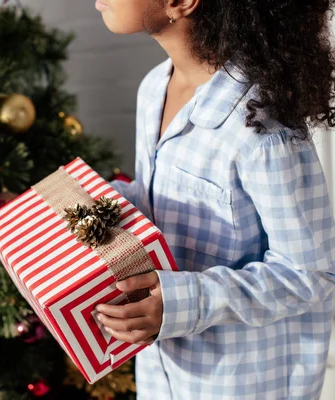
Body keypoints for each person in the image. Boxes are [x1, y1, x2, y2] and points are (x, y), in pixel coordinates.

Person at [93, 0, 335, 399]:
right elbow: (155, 204)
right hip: (162, 376)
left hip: (239, 384)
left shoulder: (261, 127)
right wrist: (86, 211)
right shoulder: (155, 88)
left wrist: (182, 302)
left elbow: (311, 274)